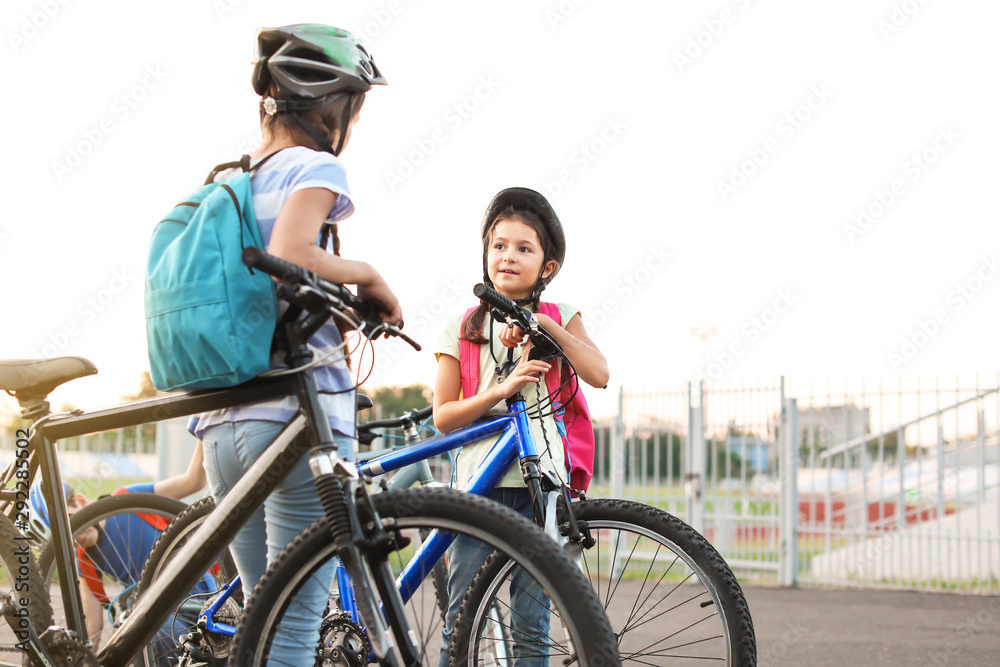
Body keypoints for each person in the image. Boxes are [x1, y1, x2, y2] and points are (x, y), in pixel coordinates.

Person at [187, 23, 401, 665]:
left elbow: (270, 284)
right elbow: (290, 253)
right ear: (331, 107)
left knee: (262, 615)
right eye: (354, 111)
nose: (353, 127)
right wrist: (369, 276)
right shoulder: (316, 166)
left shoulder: (233, 181)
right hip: (291, 429)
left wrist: (336, 310)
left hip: (223, 426)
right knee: (296, 623)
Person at [432, 187, 610, 665]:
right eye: (499, 245)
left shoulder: (560, 316)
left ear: (546, 267)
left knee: (532, 624)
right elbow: (443, 416)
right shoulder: (462, 325)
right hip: (479, 485)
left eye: (524, 248)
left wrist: (543, 327)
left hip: (542, 484)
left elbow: (600, 374)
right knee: (462, 619)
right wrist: (498, 392)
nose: (508, 256)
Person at [26, 441, 208, 657]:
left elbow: (192, 481)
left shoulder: (127, 500)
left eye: (72, 524)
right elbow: (93, 627)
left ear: (80, 501)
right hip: (166, 618)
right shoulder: (84, 559)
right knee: (143, 636)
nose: (76, 539)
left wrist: (201, 430)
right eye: (68, 541)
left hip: (204, 595)